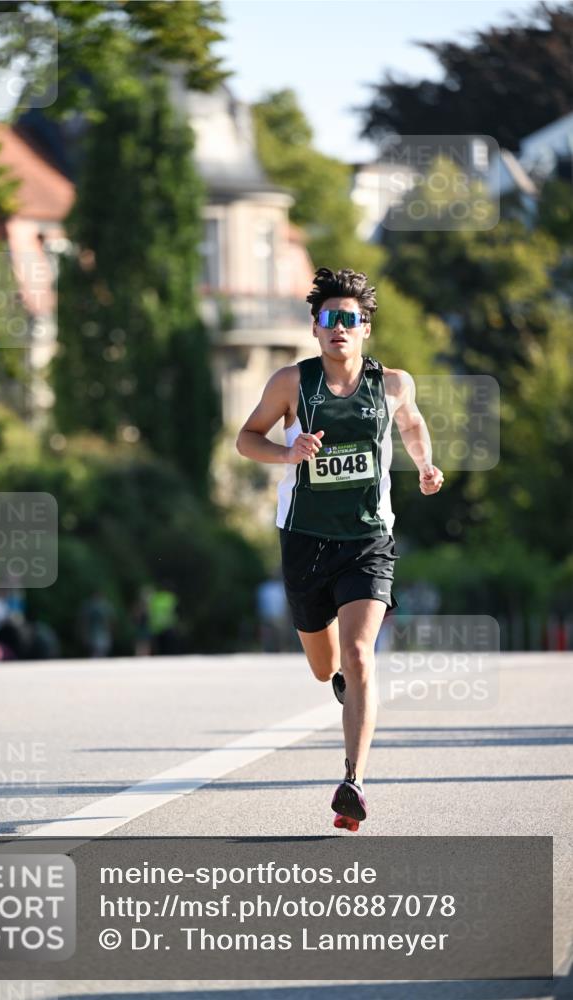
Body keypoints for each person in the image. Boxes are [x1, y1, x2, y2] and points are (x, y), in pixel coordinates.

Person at [236, 266, 444, 830]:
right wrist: (288, 453)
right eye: (328, 318)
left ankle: (353, 781)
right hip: (304, 539)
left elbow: (412, 426)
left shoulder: (393, 384)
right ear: (314, 327)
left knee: (358, 655)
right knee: (325, 666)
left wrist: (425, 464)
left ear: (365, 328)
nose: (339, 328)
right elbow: (246, 438)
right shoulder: (291, 383)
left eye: (349, 318)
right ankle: (339, 684)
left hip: (368, 539)